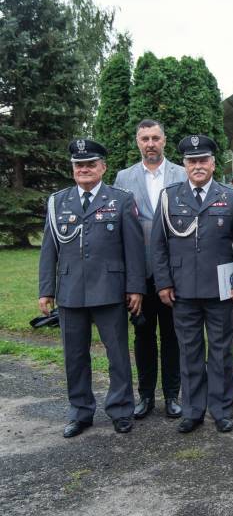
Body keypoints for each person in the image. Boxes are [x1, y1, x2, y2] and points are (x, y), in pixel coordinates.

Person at [38, 139, 146, 437]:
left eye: (90, 164)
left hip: (110, 290)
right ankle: (80, 411)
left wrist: (135, 288)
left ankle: (121, 410)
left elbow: (134, 249)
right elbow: (49, 249)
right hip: (70, 291)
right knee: (74, 356)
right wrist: (46, 290)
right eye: (79, 165)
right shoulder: (58, 201)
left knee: (118, 355)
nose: (84, 169)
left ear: (103, 167)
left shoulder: (121, 199)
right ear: (73, 169)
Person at [151, 134, 233, 434]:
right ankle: (192, 411)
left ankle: (221, 410)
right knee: (189, 351)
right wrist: (163, 283)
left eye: (203, 160)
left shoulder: (231, 197)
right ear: (184, 165)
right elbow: (158, 245)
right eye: (192, 161)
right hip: (182, 289)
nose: (198, 166)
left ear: (213, 164)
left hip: (220, 287)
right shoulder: (169, 197)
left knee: (221, 351)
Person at [114, 119, 186, 420]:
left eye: (155, 138)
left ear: (164, 140)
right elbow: (120, 228)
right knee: (143, 336)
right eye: (145, 139)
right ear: (138, 142)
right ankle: (145, 396)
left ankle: (172, 395)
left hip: (174, 272)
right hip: (140, 273)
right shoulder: (124, 177)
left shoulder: (182, 174)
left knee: (172, 336)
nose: (150, 144)